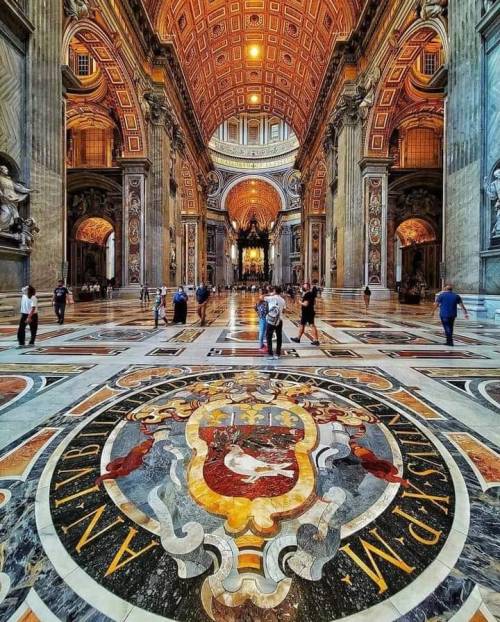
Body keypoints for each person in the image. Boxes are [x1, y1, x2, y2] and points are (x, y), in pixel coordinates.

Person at [265, 286, 286, 360]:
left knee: (269, 337)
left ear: (274, 291)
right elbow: (284, 310)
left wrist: (270, 295)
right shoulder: (283, 300)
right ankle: (277, 354)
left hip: (271, 320)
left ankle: (270, 354)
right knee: (279, 337)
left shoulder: (271, 298)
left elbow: (261, 297)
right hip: (279, 320)